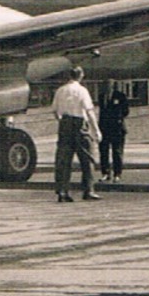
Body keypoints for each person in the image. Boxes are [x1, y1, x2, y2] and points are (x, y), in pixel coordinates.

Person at [52, 67, 99, 202]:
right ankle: (88, 190)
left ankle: (62, 191)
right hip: (79, 124)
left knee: (63, 160)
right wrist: (96, 130)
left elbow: (55, 111)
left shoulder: (60, 90)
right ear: (81, 76)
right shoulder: (82, 90)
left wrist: (62, 122)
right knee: (87, 158)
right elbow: (89, 111)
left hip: (65, 123)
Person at [98, 86, 131, 182]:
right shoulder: (101, 97)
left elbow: (126, 111)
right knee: (103, 152)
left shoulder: (120, 96)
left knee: (117, 152)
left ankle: (117, 174)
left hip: (117, 128)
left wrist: (118, 117)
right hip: (104, 128)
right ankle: (105, 173)